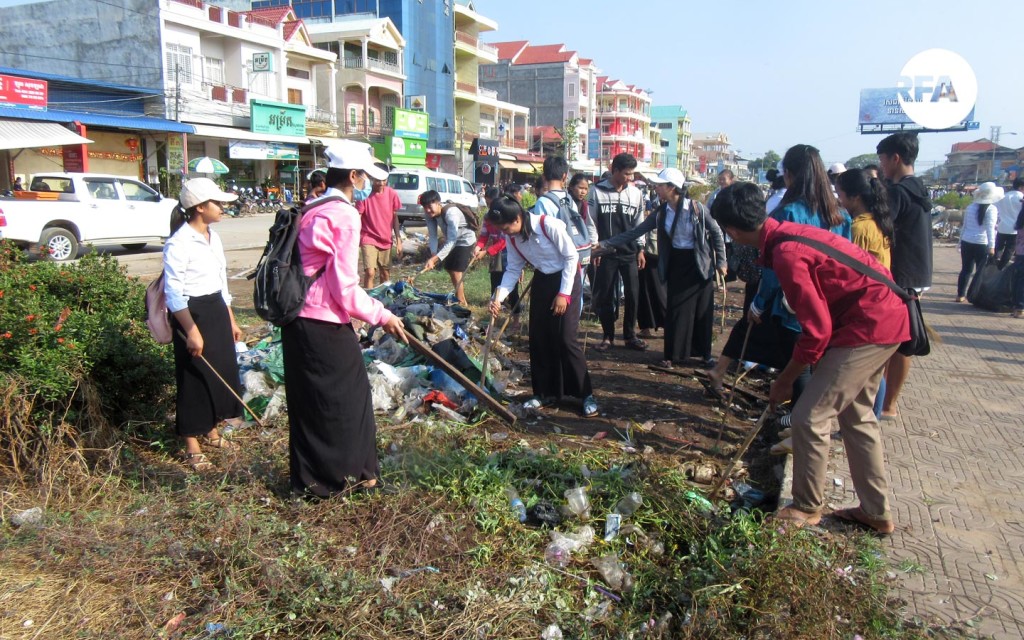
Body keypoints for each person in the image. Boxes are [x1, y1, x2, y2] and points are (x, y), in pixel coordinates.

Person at [711, 181, 908, 534]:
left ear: (732, 231)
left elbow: (817, 332)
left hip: (868, 326)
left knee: (809, 417)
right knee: (857, 416)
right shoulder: (789, 234)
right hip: (884, 316)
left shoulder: (786, 254)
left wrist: (785, 379)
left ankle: (806, 507)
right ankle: (875, 512)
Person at [283, 141, 407, 499]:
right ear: (353, 176)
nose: (367, 182)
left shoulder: (313, 206)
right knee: (351, 399)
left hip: (296, 319)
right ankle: (358, 478)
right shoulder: (344, 215)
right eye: (364, 175)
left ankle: (310, 481)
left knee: (310, 402)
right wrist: (383, 316)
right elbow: (345, 289)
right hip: (321, 320)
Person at [709, 144, 850, 418]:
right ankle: (801, 420)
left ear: (789, 175)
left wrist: (760, 302)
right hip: (829, 302)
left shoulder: (788, 213)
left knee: (799, 366)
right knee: (814, 366)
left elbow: (777, 265)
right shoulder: (840, 214)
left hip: (792, 304)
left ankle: (798, 423)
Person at [595, 167, 726, 368]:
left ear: (672, 188)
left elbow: (716, 232)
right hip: (677, 264)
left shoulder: (696, 208)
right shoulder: (661, 213)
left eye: (660, 185)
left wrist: (721, 262)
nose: (656, 188)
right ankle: (672, 355)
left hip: (699, 264)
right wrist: (605, 244)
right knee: (675, 310)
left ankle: (705, 355)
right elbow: (635, 232)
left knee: (702, 311)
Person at [487, 195, 598, 417]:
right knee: (539, 338)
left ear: (518, 218)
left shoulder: (549, 225)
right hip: (542, 281)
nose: (505, 232)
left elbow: (571, 258)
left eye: (506, 227)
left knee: (566, 338)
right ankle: (544, 393)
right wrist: (498, 297)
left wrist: (563, 294)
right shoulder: (513, 238)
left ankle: (585, 394)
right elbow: (513, 269)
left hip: (567, 279)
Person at [162, 178, 244, 472]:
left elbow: (221, 282)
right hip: (191, 313)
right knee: (194, 377)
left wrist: (230, 318)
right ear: (199, 207)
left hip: (216, 310)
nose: (222, 208)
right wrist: (191, 331)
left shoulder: (213, 237)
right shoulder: (179, 242)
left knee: (220, 371)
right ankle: (191, 444)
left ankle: (211, 430)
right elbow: (173, 293)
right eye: (217, 203)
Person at [876, 133, 932, 421]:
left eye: (882, 159)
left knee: (899, 343)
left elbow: (883, 230)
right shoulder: (918, 187)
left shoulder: (899, 192)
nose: (881, 165)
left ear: (895, 158)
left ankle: (888, 404)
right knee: (902, 341)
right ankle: (888, 402)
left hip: (901, 275)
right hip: (916, 272)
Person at [837, 168, 895, 417]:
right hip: (883, 302)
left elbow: (851, 271)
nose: (839, 201)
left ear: (855, 197)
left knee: (865, 372)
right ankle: (873, 417)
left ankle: (866, 419)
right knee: (875, 371)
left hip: (867, 304)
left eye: (841, 195)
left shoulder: (859, 228)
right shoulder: (879, 221)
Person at [589, 153, 647, 351]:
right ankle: (608, 336)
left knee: (633, 294)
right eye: (627, 174)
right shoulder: (596, 191)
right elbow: (591, 222)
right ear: (614, 170)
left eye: (632, 174)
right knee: (605, 295)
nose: (630, 178)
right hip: (606, 252)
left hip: (629, 252)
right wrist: (595, 248)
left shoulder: (636, 194)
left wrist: (640, 248)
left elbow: (640, 223)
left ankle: (630, 336)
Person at [421, 189, 478, 306]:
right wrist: (433, 254)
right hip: (451, 240)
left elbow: (452, 241)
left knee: (456, 270)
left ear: (438, 203)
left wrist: (435, 259)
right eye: (425, 207)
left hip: (465, 240)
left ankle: (461, 301)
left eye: (430, 206)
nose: (427, 210)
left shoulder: (451, 213)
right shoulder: (429, 215)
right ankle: (459, 297)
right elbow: (433, 235)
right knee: (449, 268)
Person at [475, 186, 521, 329]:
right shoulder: (487, 217)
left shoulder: (505, 216)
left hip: (507, 252)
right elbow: (484, 236)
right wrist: (478, 247)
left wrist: (486, 251)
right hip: (495, 254)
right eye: (488, 203)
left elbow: (504, 241)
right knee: (495, 286)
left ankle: (516, 320)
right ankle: (493, 318)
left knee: (512, 288)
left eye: (492, 203)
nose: (490, 207)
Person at [955, 182, 1002, 302]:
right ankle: (973, 294)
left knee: (966, 270)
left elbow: (964, 226)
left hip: (967, 241)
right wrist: (992, 246)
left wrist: (960, 242)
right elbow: (990, 229)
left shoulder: (970, 207)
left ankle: (960, 295)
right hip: (982, 243)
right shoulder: (992, 209)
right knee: (979, 272)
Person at [356, 175, 403, 288]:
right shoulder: (364, 195)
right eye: (378, 180)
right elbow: (358, 217)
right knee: (370, 272)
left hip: (386, 238)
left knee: (385, 273)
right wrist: (354, 239)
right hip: (368, 237)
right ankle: (368, 296)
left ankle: (382, 296)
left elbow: (394, 217)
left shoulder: (392, 194)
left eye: (384, 180)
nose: (381, 183)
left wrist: (398, 240)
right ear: (372, 179)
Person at [994, 177, 1023, 270]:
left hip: (1002, 227)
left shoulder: (1004, 196)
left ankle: (992, 264)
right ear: (1021, 187)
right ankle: (1000, 268)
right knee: (1009, 250)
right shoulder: (1021, 198)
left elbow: (995, 209)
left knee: (998, 248)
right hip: (1014, 229)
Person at [1011, 203, 1024, 319]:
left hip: (1020, 252)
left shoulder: (1021, 217)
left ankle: (1016, 306)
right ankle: (1020, 307)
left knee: (1018, 280)